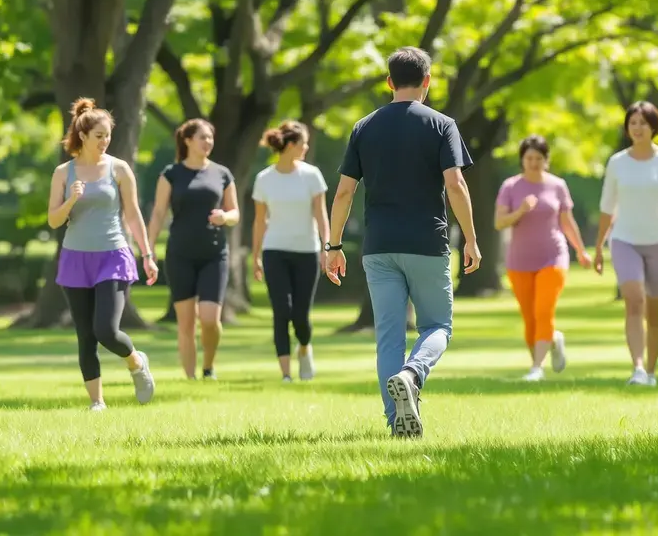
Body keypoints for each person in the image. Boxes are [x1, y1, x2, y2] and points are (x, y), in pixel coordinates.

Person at [325, 47, 480, 438]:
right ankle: (413, 374)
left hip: (379, 247)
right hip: (427, 242)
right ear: (427, 81)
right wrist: (471, 239)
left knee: (389, 338)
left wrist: (333, 246)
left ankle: (398, 422)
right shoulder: (442, 125)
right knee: (438, 326)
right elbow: (456, 185)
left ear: (389, 82)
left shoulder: (364, 127)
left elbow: (343, 193)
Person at [47, 98, 157, 411]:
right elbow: (53, 220)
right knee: (86, 336)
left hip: (113, 255)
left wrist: (147, 254)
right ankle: (97, 402)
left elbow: (133, 214)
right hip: (76, 259)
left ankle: (136, 362)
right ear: (82, 136)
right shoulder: (63, 172)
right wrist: (71, 200)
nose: (105, 141)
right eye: (99, 136)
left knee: (106, 330)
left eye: (108, 135)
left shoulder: (119, 168)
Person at [594, 101, 658, 387]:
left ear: (654, 127)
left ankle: (651, 371)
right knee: (634, 300)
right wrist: (599, 246)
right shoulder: (617, 163)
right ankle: (638, 368)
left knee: (653, 311)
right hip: (624, 240)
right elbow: (607, 207)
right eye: (633, 123)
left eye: (643, 122)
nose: (637, 128)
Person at [147, 119, 239, 381]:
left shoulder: (222, 173)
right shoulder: (171, 174)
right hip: (180, 254)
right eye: (202, 137)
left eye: (210, 137)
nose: (208, 142)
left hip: (214, 254)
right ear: (187, 140)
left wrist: (225, 217)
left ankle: (208, 367)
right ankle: (190, 378)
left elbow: (235, 213)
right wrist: (149, 249)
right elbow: (158, 213)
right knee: (186, 323)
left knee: (209, 319)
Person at [495, 134, 592, 382]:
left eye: (538, 158)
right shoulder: (510, 187)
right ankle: (552, 341)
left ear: (546, 160)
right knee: (530, 318)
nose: (534, 163)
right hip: (519, 261)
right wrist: (521, 210)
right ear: (522, 160)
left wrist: (581, 250)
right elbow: (499, 222)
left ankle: (537, 368)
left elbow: (567, 222)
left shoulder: (557, 185)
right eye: (529, 158)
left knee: (543, 311)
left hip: (553, 257)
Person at [252, 120, 331, 382]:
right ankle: (286, 374)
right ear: (290, 145)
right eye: (303, 143)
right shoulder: (264, 179)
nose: (306, 147)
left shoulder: (312, 175)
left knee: (300, 315)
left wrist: (327, 247)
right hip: (274, 251)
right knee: (281, 311)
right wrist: (255, 256)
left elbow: (321, 215)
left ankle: (305, 347)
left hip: (306, 251)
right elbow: (260, 221)